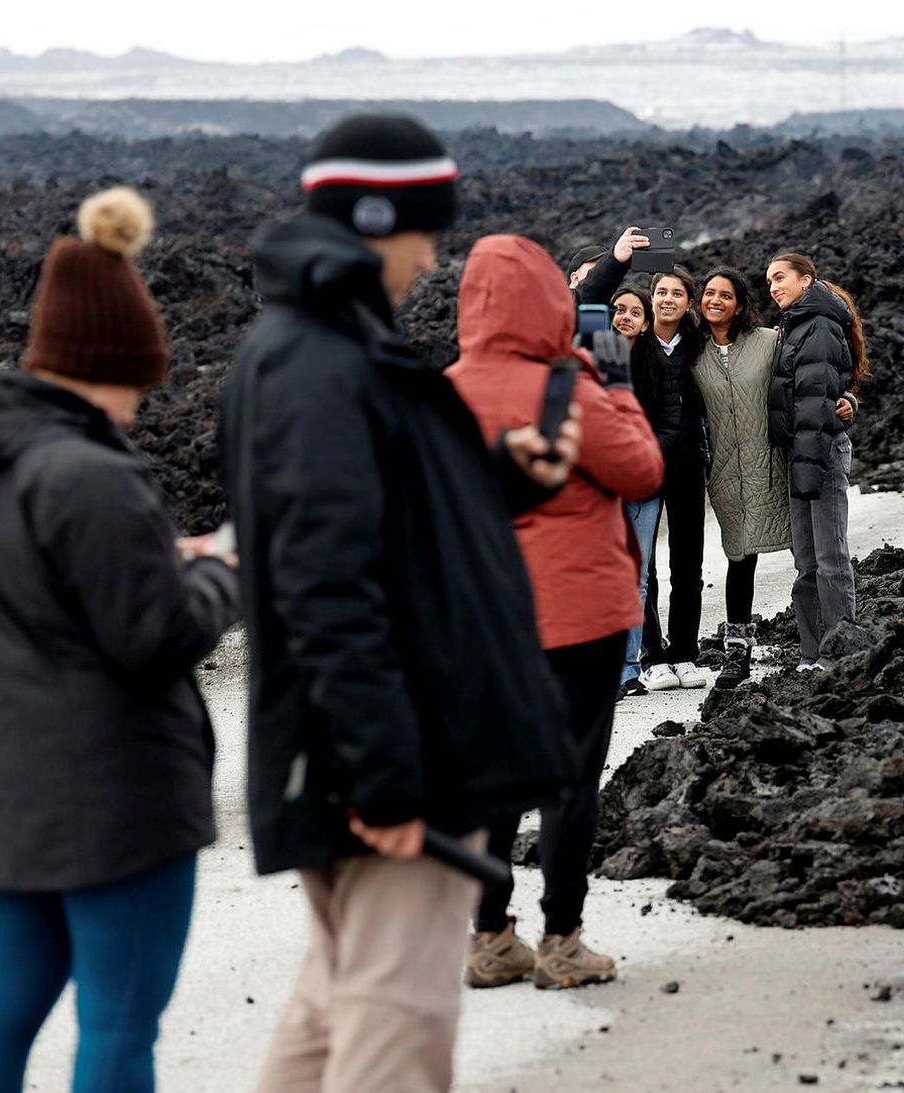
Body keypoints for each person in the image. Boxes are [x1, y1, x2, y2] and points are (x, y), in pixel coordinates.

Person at [220, 115, 580, 1093]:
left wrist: (505, 473)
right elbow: (322, 585)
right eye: (424, 236)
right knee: (395, 1027)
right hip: (391, 761)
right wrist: (383, 775)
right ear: (377, 219)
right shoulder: (321, 363)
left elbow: (392, 524)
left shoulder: (327, 348)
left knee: (333, 1004)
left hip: (371, 749)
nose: (429, 261)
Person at [0, 187, 241, 1092]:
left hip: (0, 780)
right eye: (137, 380)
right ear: (103, 359)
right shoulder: (92, 475)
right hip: (113, 791)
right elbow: (156, 637)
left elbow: (35, 581)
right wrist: (223, 569)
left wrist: (152, 556)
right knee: (120, 1028)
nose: (136, 408)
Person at [448, 236, 663, 989]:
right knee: (570, 778)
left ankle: (489, 937)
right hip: (579, 613)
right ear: (551, 301)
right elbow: (641, 469)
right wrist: (616, 381)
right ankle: (562, 941)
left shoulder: (438, 394)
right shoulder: (569, 388)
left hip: (481, 619)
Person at [765, 252, 871, 670]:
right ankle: (813, 653)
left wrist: (810, 458)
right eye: (769, 281)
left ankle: (842, 652)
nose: (773, 287)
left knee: (830, 559)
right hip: (802, 453)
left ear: (806, 280)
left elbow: (815, 402)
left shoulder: (820, 325)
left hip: (821, 451)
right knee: (806, 561)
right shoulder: (794, 325)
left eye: (780, 278)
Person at [689, 268, 791, 688]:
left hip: (774, 464)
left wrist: (848, 397)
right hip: (727, 474)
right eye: (708, 293)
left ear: (740, 304)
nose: (715, 300)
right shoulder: (692, 353)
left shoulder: (770, 341)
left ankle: (824, 638)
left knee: (805, 554)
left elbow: (822, 370)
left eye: (724, 295)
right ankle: (738, 652)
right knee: (739, 559)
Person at [639, 264, 712, 690]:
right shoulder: (632, 342)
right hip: (642, 466)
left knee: (688, 562)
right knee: (643, 566)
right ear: (652, 298)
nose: (668, 299)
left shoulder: (699, 345)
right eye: (661, 292)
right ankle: (653, 656)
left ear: (689, 303)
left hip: (687, 464)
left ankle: (685, 652)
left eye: (677, 294)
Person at [611, 284, 685, 699]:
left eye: (635, 312)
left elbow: (672, 422)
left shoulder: (657, 363)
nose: (625, 317)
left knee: (635, 579)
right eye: (618, 309)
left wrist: (640, 458)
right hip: (598, 487)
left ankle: (627, 670)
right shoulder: (592, 355)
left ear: (645, 321)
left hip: (642, 484)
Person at [568, 225, 651, 303]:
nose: (601, 277)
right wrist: (615, 258)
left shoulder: (617, 314)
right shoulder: (562, 304)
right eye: (594, 270)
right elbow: (587, 292)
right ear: (575, 279)